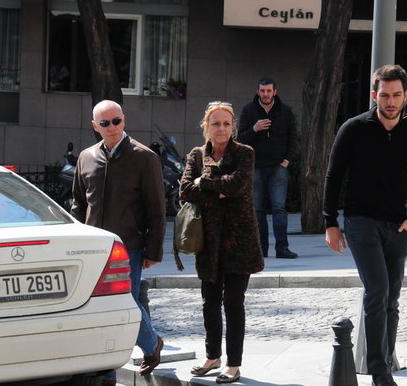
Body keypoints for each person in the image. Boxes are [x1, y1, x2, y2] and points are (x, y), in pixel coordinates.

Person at [323, 65, 407, 386]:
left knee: (392, 298)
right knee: (378, 291)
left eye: (396, 95)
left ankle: (385, 362)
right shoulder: (354, 128)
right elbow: (333, 176)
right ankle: (379, 373)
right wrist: (330, 223)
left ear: (406, 95)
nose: (391, 101)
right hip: (360, 221)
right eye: (384, 95)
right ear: (375, 95)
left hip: (397, 225)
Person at [71, 100, 166, 383]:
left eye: (116, 121)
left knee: (125, 302)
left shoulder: (144, 157)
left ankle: (151, 344)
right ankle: (108, 370)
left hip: (129, 246)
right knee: (100, 307)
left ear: (124, 120)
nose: (112, 127)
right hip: (93, 247)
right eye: (105, 123)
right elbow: (78, 204)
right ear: (95, 126)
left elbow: (157, 209)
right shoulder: (86, 158)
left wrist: (153, 250)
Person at [180, 101, 265, 384]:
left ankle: (234, 363)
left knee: (233, 302)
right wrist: (217, 188)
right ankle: (212, 356)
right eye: (215, 123)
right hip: (208, 240)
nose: (221, 128)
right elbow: (185, 190)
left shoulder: (244, 152)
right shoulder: (196, 155)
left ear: (233, 127)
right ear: (206, 126)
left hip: (239, 240)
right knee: (210, 302)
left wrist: (204, 183)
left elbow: (238, 185)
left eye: (226, 123)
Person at [238, 78, 299, 258]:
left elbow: (293, 139)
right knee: (258, 210)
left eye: (269, 91)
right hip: (256, 167)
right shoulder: (248, 110)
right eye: (263, 91)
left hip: (278, 167)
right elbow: (240, 140)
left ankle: (282, 248)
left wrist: (286, 161)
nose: (266, 94)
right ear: (257, 91)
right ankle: (260, 249)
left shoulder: (285, 110)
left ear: (275, 92)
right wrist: (254, 129)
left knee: (279, 208)